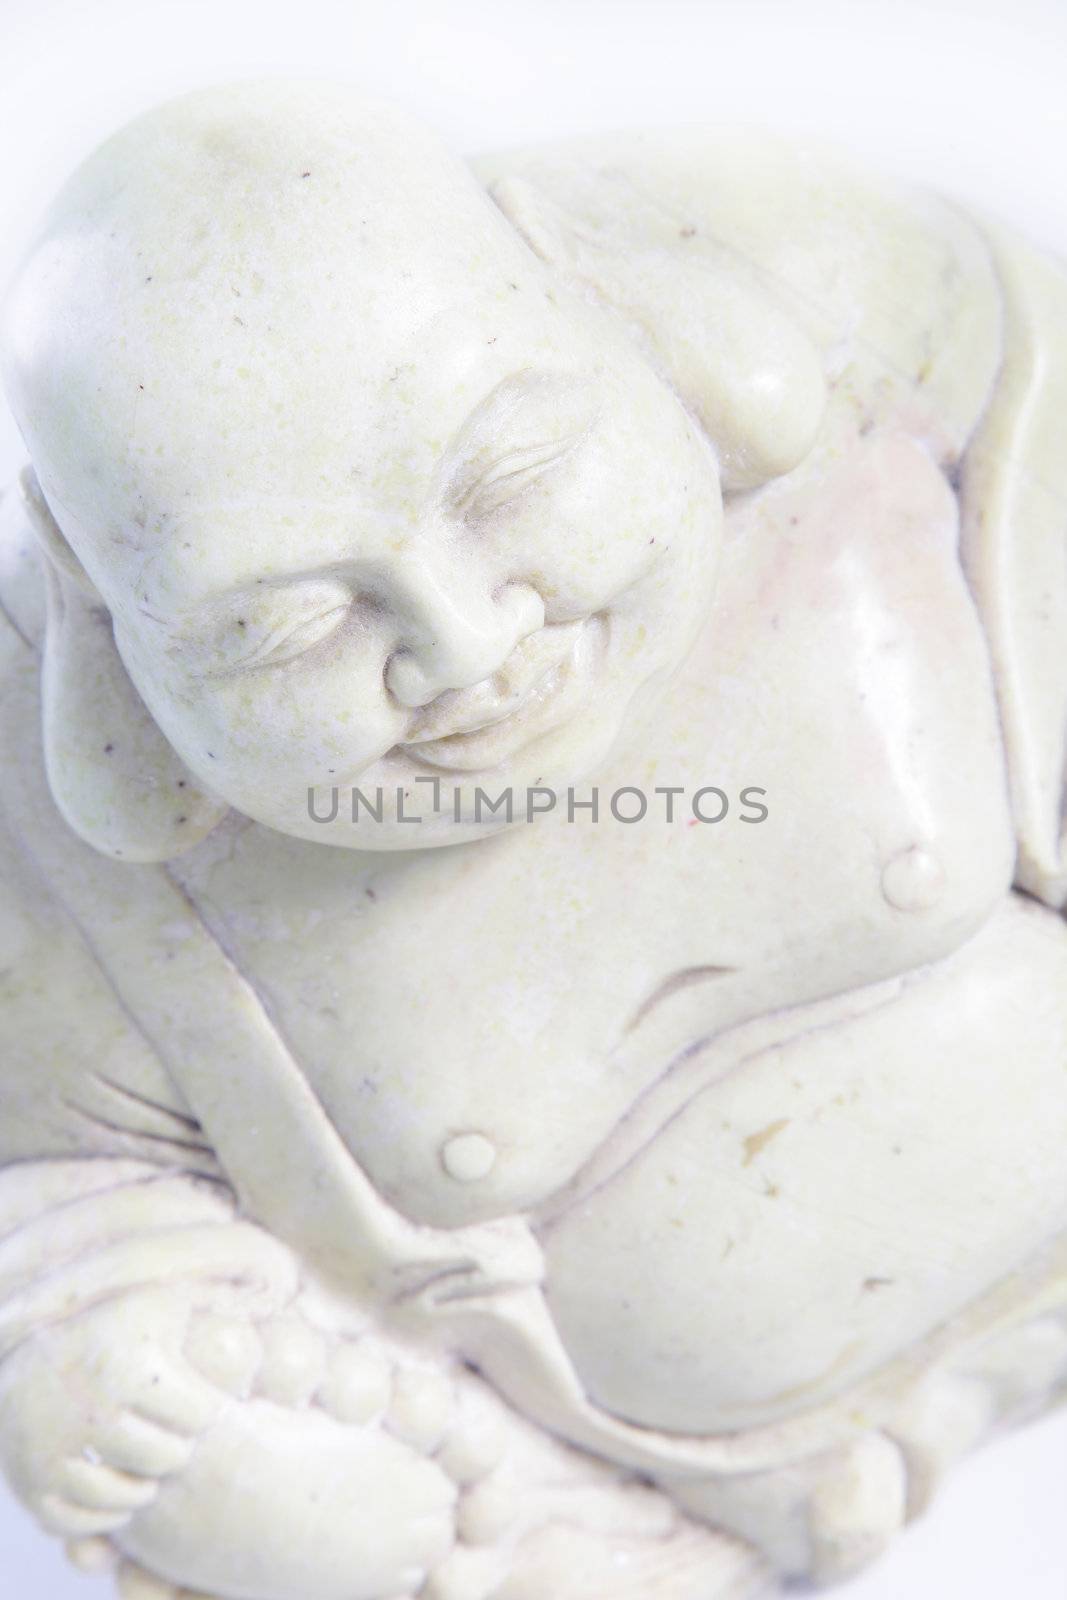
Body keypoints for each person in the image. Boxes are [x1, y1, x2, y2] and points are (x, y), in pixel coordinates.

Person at [0, 79, 1066, 1599]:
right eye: (287, 623)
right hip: (628, 1508)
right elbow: (54, 1202)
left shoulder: (840, 294)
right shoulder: (61, 875)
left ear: (615, 314)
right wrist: (123, 1375)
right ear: (118, 649)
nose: (460, 642)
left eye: (511, 481)